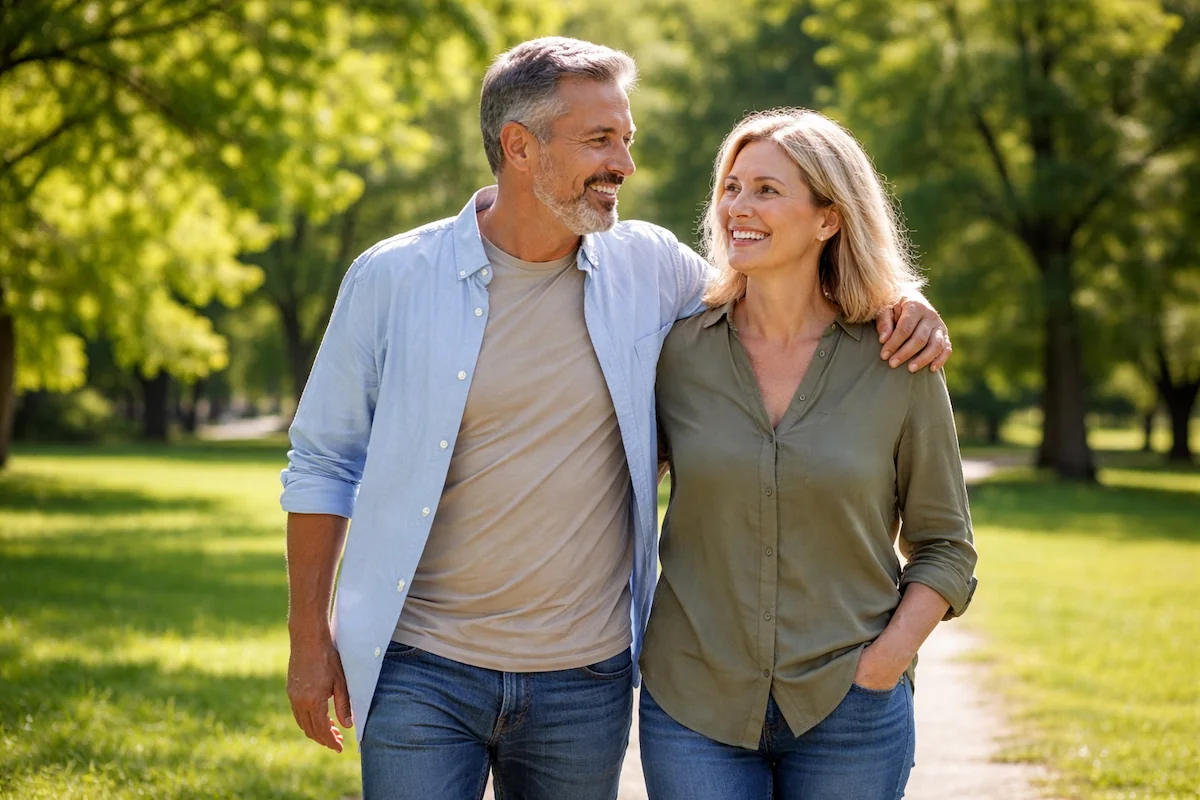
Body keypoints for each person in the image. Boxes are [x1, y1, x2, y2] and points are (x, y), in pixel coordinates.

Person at [281, 40, 951, 800]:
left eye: (626, 140)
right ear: (520, 147)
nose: (624, 165)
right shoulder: (392, 279)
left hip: (584, 678)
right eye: (601, 140)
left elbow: (780, 303)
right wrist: (311, 637)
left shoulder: (651, 270)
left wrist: (902, 304)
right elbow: (323, 463)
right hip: (421, 665)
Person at [637, 108, 978, 800]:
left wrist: (884, 663)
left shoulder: (898, 362)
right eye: (731, 187)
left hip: (849, 708)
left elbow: (947, 547)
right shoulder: (677, 352)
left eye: (767, 190)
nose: (739, 206)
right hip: (693, 703)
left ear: (829, 218)